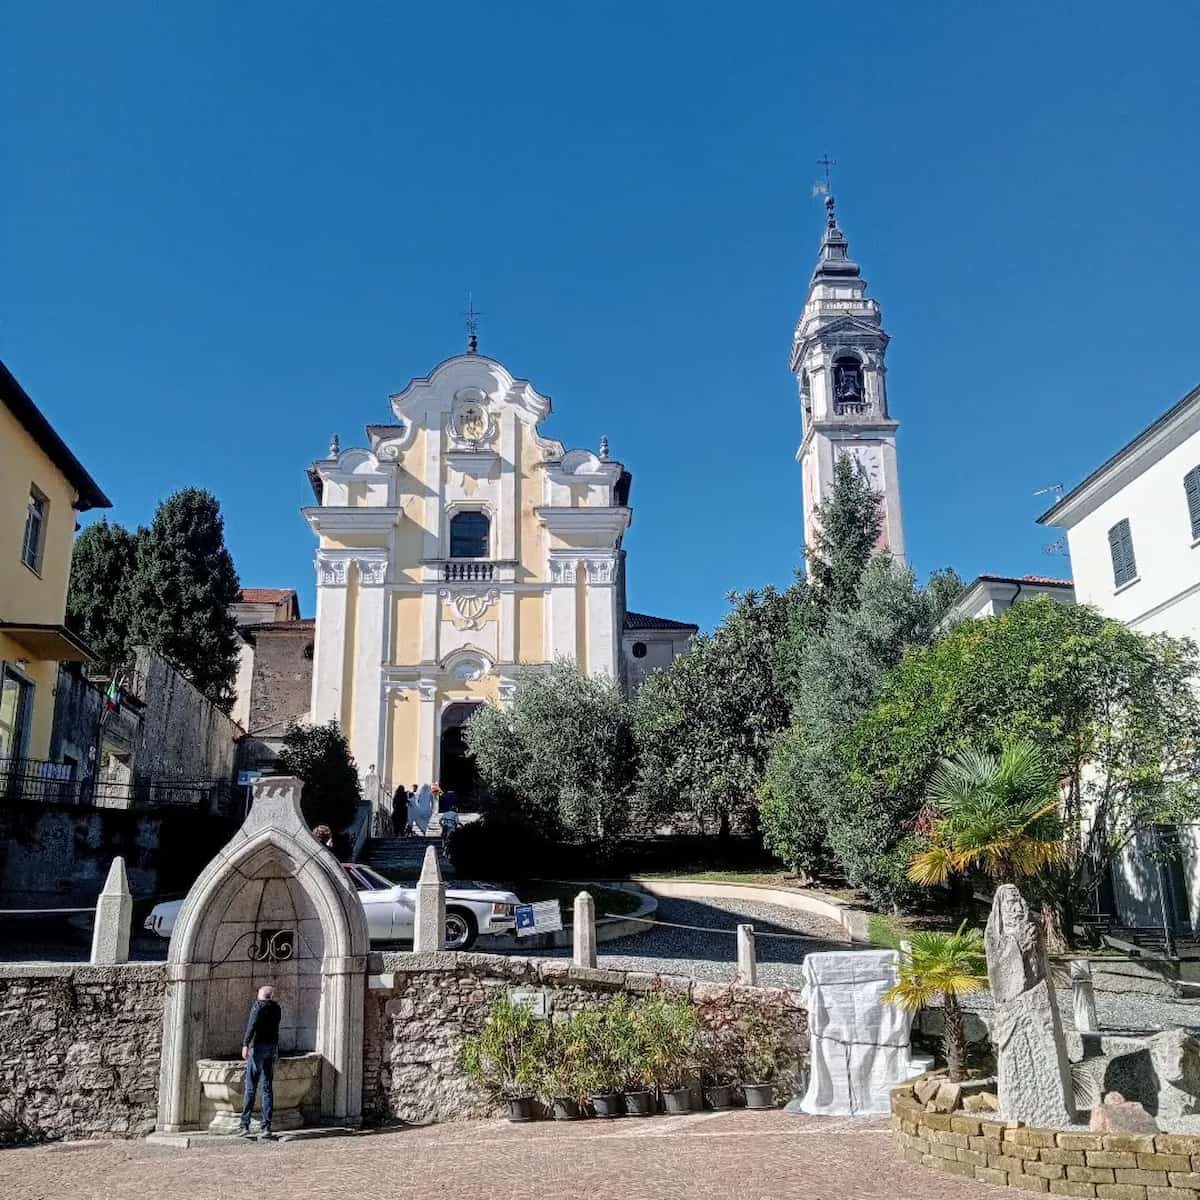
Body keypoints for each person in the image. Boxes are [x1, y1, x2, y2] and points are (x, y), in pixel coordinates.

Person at [239, 985, 282, 1139]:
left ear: (261, 995)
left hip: (257, 1048)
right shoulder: (277, 1008)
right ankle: (266, 1126)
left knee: (250, 1087)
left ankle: (245, 1125)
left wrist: (245, 1044)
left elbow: (252, 1026)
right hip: (270, 1048)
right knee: (267, 1088)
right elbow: (276, 1029)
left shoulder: (258, 1007)